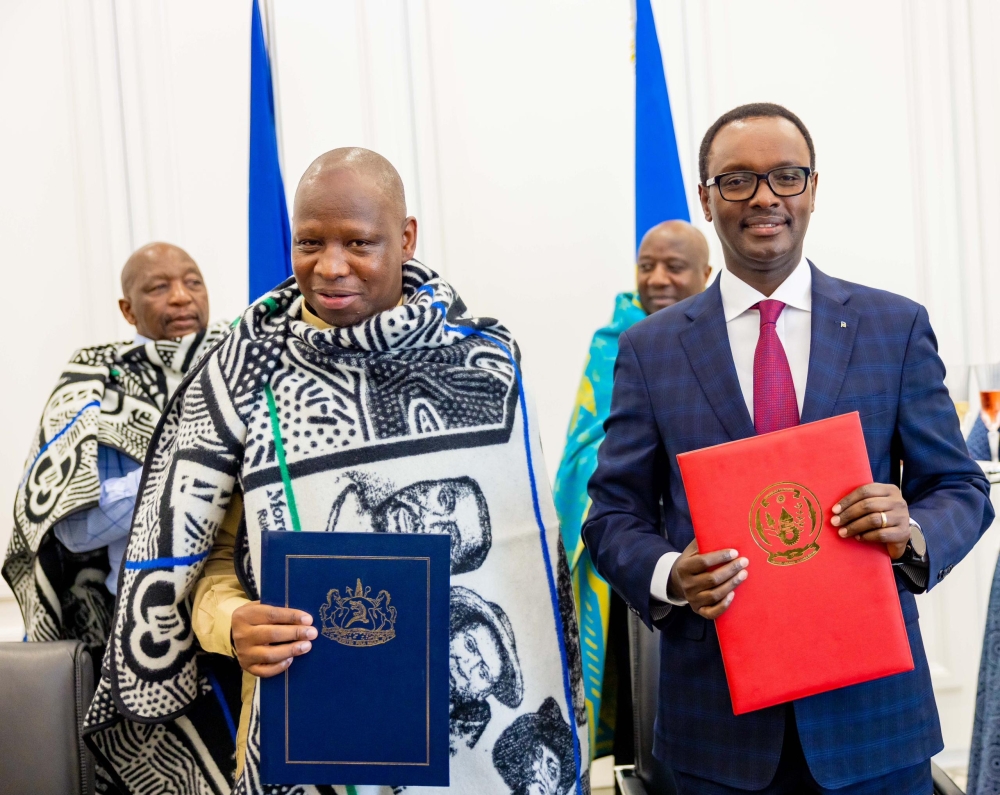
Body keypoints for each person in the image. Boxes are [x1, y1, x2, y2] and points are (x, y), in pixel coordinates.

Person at [85, 148, 589, 795]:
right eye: (309, 243)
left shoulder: (486, 365)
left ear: (405, 238)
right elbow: (201, 562)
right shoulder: (241, 375)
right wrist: (232, 623)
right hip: (312, 735)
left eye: (358, 242)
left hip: (477, 763)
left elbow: (532, 570)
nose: (329, 266)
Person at [583, 103, 994, 794]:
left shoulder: (894, 327)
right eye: (738, 180)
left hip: (875, 719)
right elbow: (611, 514)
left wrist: (912, 531)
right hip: (713, 729)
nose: (765, 196)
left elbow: (960, 487)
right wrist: (669, 573)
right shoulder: (649, 349)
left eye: (785, 175)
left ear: (812, 188)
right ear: (705, 197)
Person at [4, 242, 228, 645]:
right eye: (159, 287)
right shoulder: (96, 385)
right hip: (143, 624)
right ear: (128, 310)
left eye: (193, 282)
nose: (181, 296)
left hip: (239, 610)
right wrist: (173, 470)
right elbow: (73, 530)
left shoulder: (239, 367)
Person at [552, 220, 711, 759]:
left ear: (706, 274)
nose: (658, 279)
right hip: (636, 559)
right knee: (636, 721)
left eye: (675, 266)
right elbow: (583, 450)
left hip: (712, 557)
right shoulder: (614, 344)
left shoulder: (728, 337)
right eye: (647, 266)